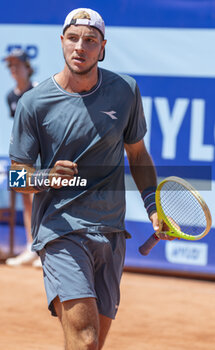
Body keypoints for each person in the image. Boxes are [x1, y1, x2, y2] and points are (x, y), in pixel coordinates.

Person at [9, 8, 175, 350]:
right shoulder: (34, 103)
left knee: (92, 345)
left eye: (89, 40)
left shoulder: (125, 91)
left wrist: (153, 206)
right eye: (72, 39)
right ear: (61, 42)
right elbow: (16, 176)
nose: (79, 47)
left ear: (102, 47)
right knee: (84, 340)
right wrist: (46, 176)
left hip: (110, 231)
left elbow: (138, 155)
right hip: (61, 230)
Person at [3, 49, 41, 267]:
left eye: (17, 65)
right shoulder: (10, 96)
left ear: (28, 67)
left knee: (40, 199)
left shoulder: (38, 91)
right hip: (20, 155)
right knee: (26, 199)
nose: (14, 69)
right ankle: (30, 246)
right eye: (10, 66)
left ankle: (44, 248)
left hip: (40, 155)